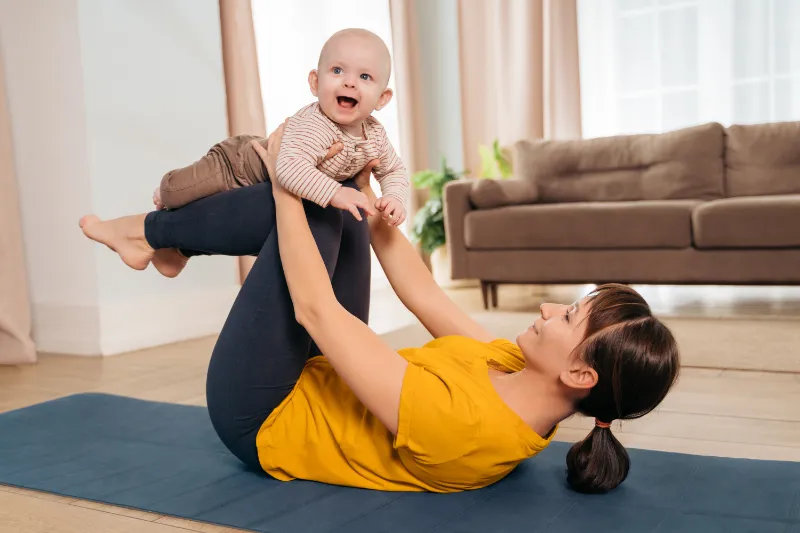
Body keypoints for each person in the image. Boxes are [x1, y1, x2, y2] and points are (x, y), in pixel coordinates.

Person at [79, 123, 680, 494]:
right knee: (337, 207)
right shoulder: (514, 368)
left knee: (310, 209)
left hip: (263, 418)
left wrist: (292, 179)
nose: (550, 308)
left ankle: (154, 235)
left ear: (580, 374)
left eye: (569, 317)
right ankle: (156, 240)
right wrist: (368, 191)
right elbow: (421, 292)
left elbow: (317, 312)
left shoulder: (466, 429)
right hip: (314, 375)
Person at [147, 28, 407, 280]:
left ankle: (176, 251)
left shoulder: (374, 134)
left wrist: (394, 196)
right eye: (337, 70)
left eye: (365, 77)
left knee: (212, 217)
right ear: (315, 82)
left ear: (382, 98)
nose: (349, 81)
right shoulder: (315, 125)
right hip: (237, 165)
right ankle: (166, 186)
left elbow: (393, 168)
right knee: (178, 194)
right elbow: (290, 168)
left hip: (260, 193)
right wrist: (336, 192)